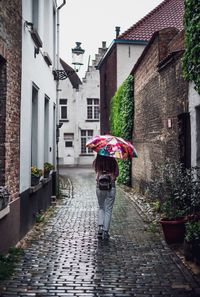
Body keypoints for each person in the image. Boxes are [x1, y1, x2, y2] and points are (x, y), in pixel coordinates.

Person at [93, 154, 119, 239]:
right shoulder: (113, 160)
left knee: (101, 207)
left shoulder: (98, 160)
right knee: (108, 209)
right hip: (111, 187)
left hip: (99, 186)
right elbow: (117, 174)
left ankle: (100, 228)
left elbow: (96, 171)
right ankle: (105, 231)